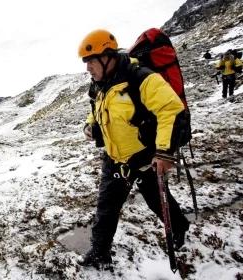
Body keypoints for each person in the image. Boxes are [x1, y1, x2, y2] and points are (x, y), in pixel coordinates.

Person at [77, 29, 190, 268]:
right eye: (86, 63)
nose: (88, 67)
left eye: (91, 61)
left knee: (157, 201)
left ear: (107, 57)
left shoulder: (141, 78)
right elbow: (96, 109)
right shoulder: (99, 85)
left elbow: (171, 109)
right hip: (115, 159)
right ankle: (100, 252)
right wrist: (90, 125)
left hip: (145, 158)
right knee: (106, 207)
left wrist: (164, 152)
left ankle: (179, 228)